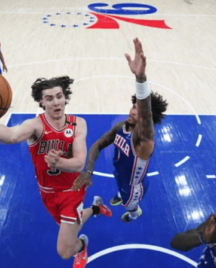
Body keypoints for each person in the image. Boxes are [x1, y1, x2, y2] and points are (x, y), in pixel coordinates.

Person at [0, 76, 112, 268]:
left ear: (65, 97)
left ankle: (82, 246)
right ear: (41, 102)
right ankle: (95, 208)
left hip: (72, 190)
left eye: (59, 96)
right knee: (68, 223)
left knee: (64, 250)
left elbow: (79, 164)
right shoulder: (35, 125)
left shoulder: (78, 124)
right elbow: (12, 135)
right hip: (47, 193)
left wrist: (59, 163)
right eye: (49, 98)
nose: (56, 102)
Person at [72, 38, 168, 223]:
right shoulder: (121, 126)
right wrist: (89, 171)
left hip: (132, 187)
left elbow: (145, 111)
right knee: (120, 183)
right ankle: (120, 193)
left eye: (138, 109)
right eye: (133, 106)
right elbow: (99, 144)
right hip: (120, 174)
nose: (133, 110)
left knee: (128, 203)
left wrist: (140, 78)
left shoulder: (145, 139)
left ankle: (134, 213)